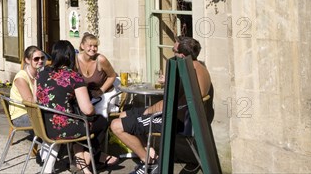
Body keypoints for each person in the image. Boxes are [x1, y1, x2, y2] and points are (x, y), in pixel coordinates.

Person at [110, 36, 212, 174]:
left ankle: (147, 162)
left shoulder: (185, 72)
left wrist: (147, 112)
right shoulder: (200, 67)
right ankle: (150, 154)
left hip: (175, 120)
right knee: (124, 114)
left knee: (116, 125)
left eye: (173, 50)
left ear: (181, 55)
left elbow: (168, 104)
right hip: (187, 118)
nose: (172, 53)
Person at [36, 40, 119, 174]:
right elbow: (88, 110)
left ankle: (83, 161)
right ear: (71, 57)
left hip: (43, 125)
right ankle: (90, 159)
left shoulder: (41, 73)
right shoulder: (74, 77)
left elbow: (37, 98)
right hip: (62, 129)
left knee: (80, 121)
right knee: (101, 121)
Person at [75, 32, 118, 107]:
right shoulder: (75, 60)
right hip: (87, 95)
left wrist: (101, 90)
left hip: (105, 93)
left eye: (95, 46)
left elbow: (112, 76)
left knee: (98, 111)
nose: (93, 49)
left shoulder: (101, 60)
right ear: (82, 46)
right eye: (90, 46)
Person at [9, 46, 46, 127]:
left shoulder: (39, 74)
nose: (40, 61)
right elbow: (31, 103)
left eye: (42, 58)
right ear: (27, 60)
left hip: (36, 111)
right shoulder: (21, 78)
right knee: (50, 121)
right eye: (36, 59)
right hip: (21, 115)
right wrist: (36, 82)